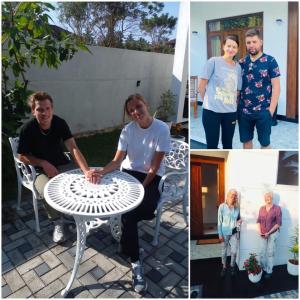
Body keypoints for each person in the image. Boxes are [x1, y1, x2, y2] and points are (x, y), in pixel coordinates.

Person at [86, 94, 170, 293]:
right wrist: (102, 171)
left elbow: (154, 168)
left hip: (152, 177)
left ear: (146, 105)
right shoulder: (127, 130)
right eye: (131, 110)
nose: (135, 112)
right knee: (122, 207)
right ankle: (134, 257)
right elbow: (117, 161)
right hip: (129, 174)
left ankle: (130, 252)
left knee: (138, 209)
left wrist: (141, 189)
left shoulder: (161, 129)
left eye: (138, 107)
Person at [17, 91, 99, 243]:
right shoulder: (27, 129)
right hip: (40, 170)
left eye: (47, 108)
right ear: (33, 111)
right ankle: (58, 223)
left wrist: (86, 170)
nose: (45, 113)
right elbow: (21, 156)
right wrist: (43, 163)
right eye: (40, 109)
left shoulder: (59, 123)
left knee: (82, 182)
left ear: (52, 109)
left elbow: (73, 147)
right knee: (46, 191)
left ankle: (75, 212)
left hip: (62, 164)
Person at [238, 28, 281, 149]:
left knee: (265, 143)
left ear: (260, 42)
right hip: (244, 112)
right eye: (248, 42)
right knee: (246, 142)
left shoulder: (270, 61)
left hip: (263, 111)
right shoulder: (242, 62)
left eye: (254, 41)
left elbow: (276, 87)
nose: (251, 45)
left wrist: (271, 111)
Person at [198, 35, 242, 149]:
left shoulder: (238, 68)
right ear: (223, 46)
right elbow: (201, 86)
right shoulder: (213, 61)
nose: (231, 49)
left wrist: (233, 105)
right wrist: (207, 102)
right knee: (212, 145)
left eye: (234, 47)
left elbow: (237, 91)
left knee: (228, 145)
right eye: (228, 46)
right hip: (211, 112)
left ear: (237, 49)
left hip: (230, 113)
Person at [256, 191, 282, 279]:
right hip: (263, 234)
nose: (268, 198)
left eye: (269, 196)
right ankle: (263, 268)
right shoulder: (261, 208)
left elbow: (278, 223)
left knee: (270, 252)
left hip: (273, 233)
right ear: (264, 199)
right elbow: (258, 221)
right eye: (266, 197)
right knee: (261, 252)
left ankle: (269, 271)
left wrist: (269, 233)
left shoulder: (277, 208)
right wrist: (260, 232)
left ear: (272, 198)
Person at [218, 189, 241, 277]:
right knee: (224, 251)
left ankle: (232, 266)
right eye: (232, 194)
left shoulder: (237, 207)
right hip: (225, 232)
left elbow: (238, 220)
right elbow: (219, 221)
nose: (233, 196)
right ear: (228, 195)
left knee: (234, 251)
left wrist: (239, 222)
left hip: (234, 232)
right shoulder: (222, 206)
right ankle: (224, 267)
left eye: (235, 195)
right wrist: (220, 235)